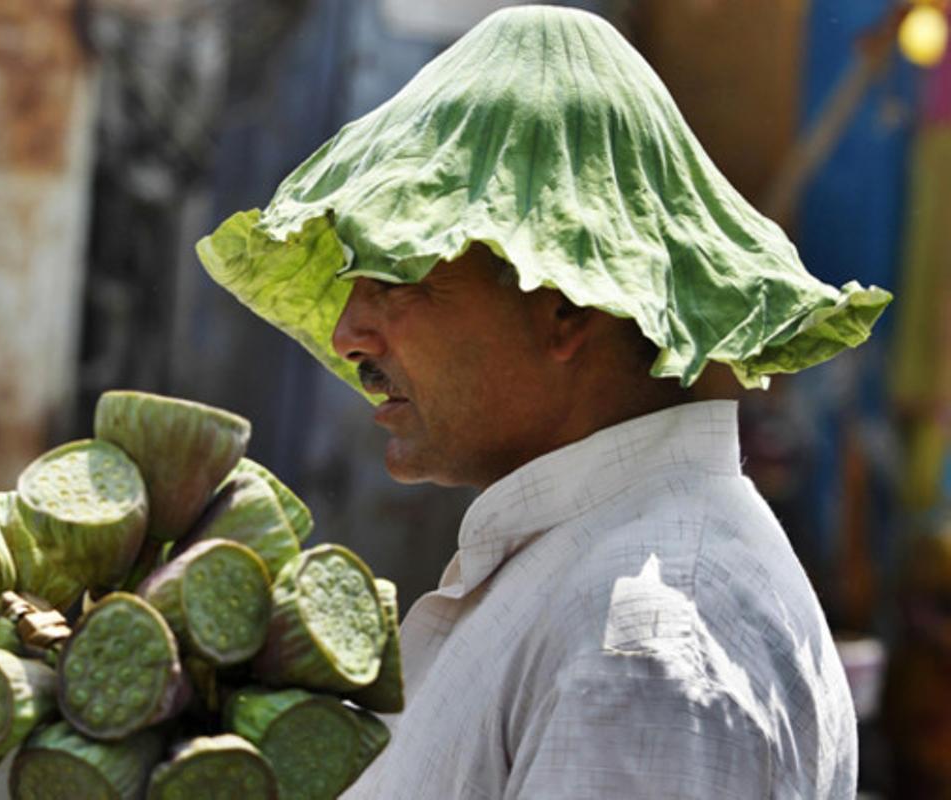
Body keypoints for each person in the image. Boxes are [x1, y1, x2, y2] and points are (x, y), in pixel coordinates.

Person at [197, 6, 891, 798]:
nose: (351, 332)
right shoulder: (590, 577)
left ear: (564, 308)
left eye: (397, 279)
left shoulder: (641, 648)